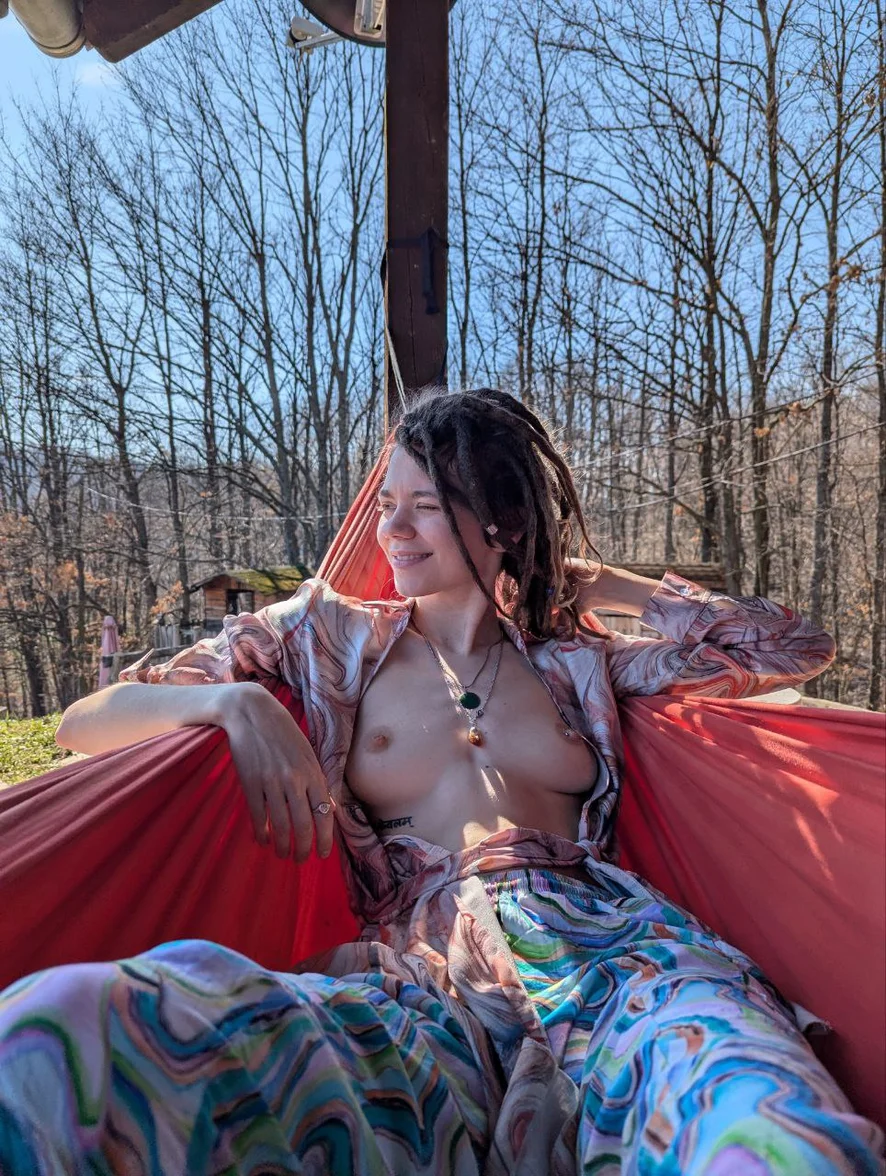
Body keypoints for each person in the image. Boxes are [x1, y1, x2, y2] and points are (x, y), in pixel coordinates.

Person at [0, 388, 881, 1175]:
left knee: (765, 1130)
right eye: (387, 504)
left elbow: (792, 647)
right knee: (71, 1032)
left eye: (424, 507)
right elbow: (86, 722)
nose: (392, 531)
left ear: (503, 520)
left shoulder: (579, 662)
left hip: (623, 964)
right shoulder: (327, 638)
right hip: (423, 986)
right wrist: (232, 702)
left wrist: (607, 584)